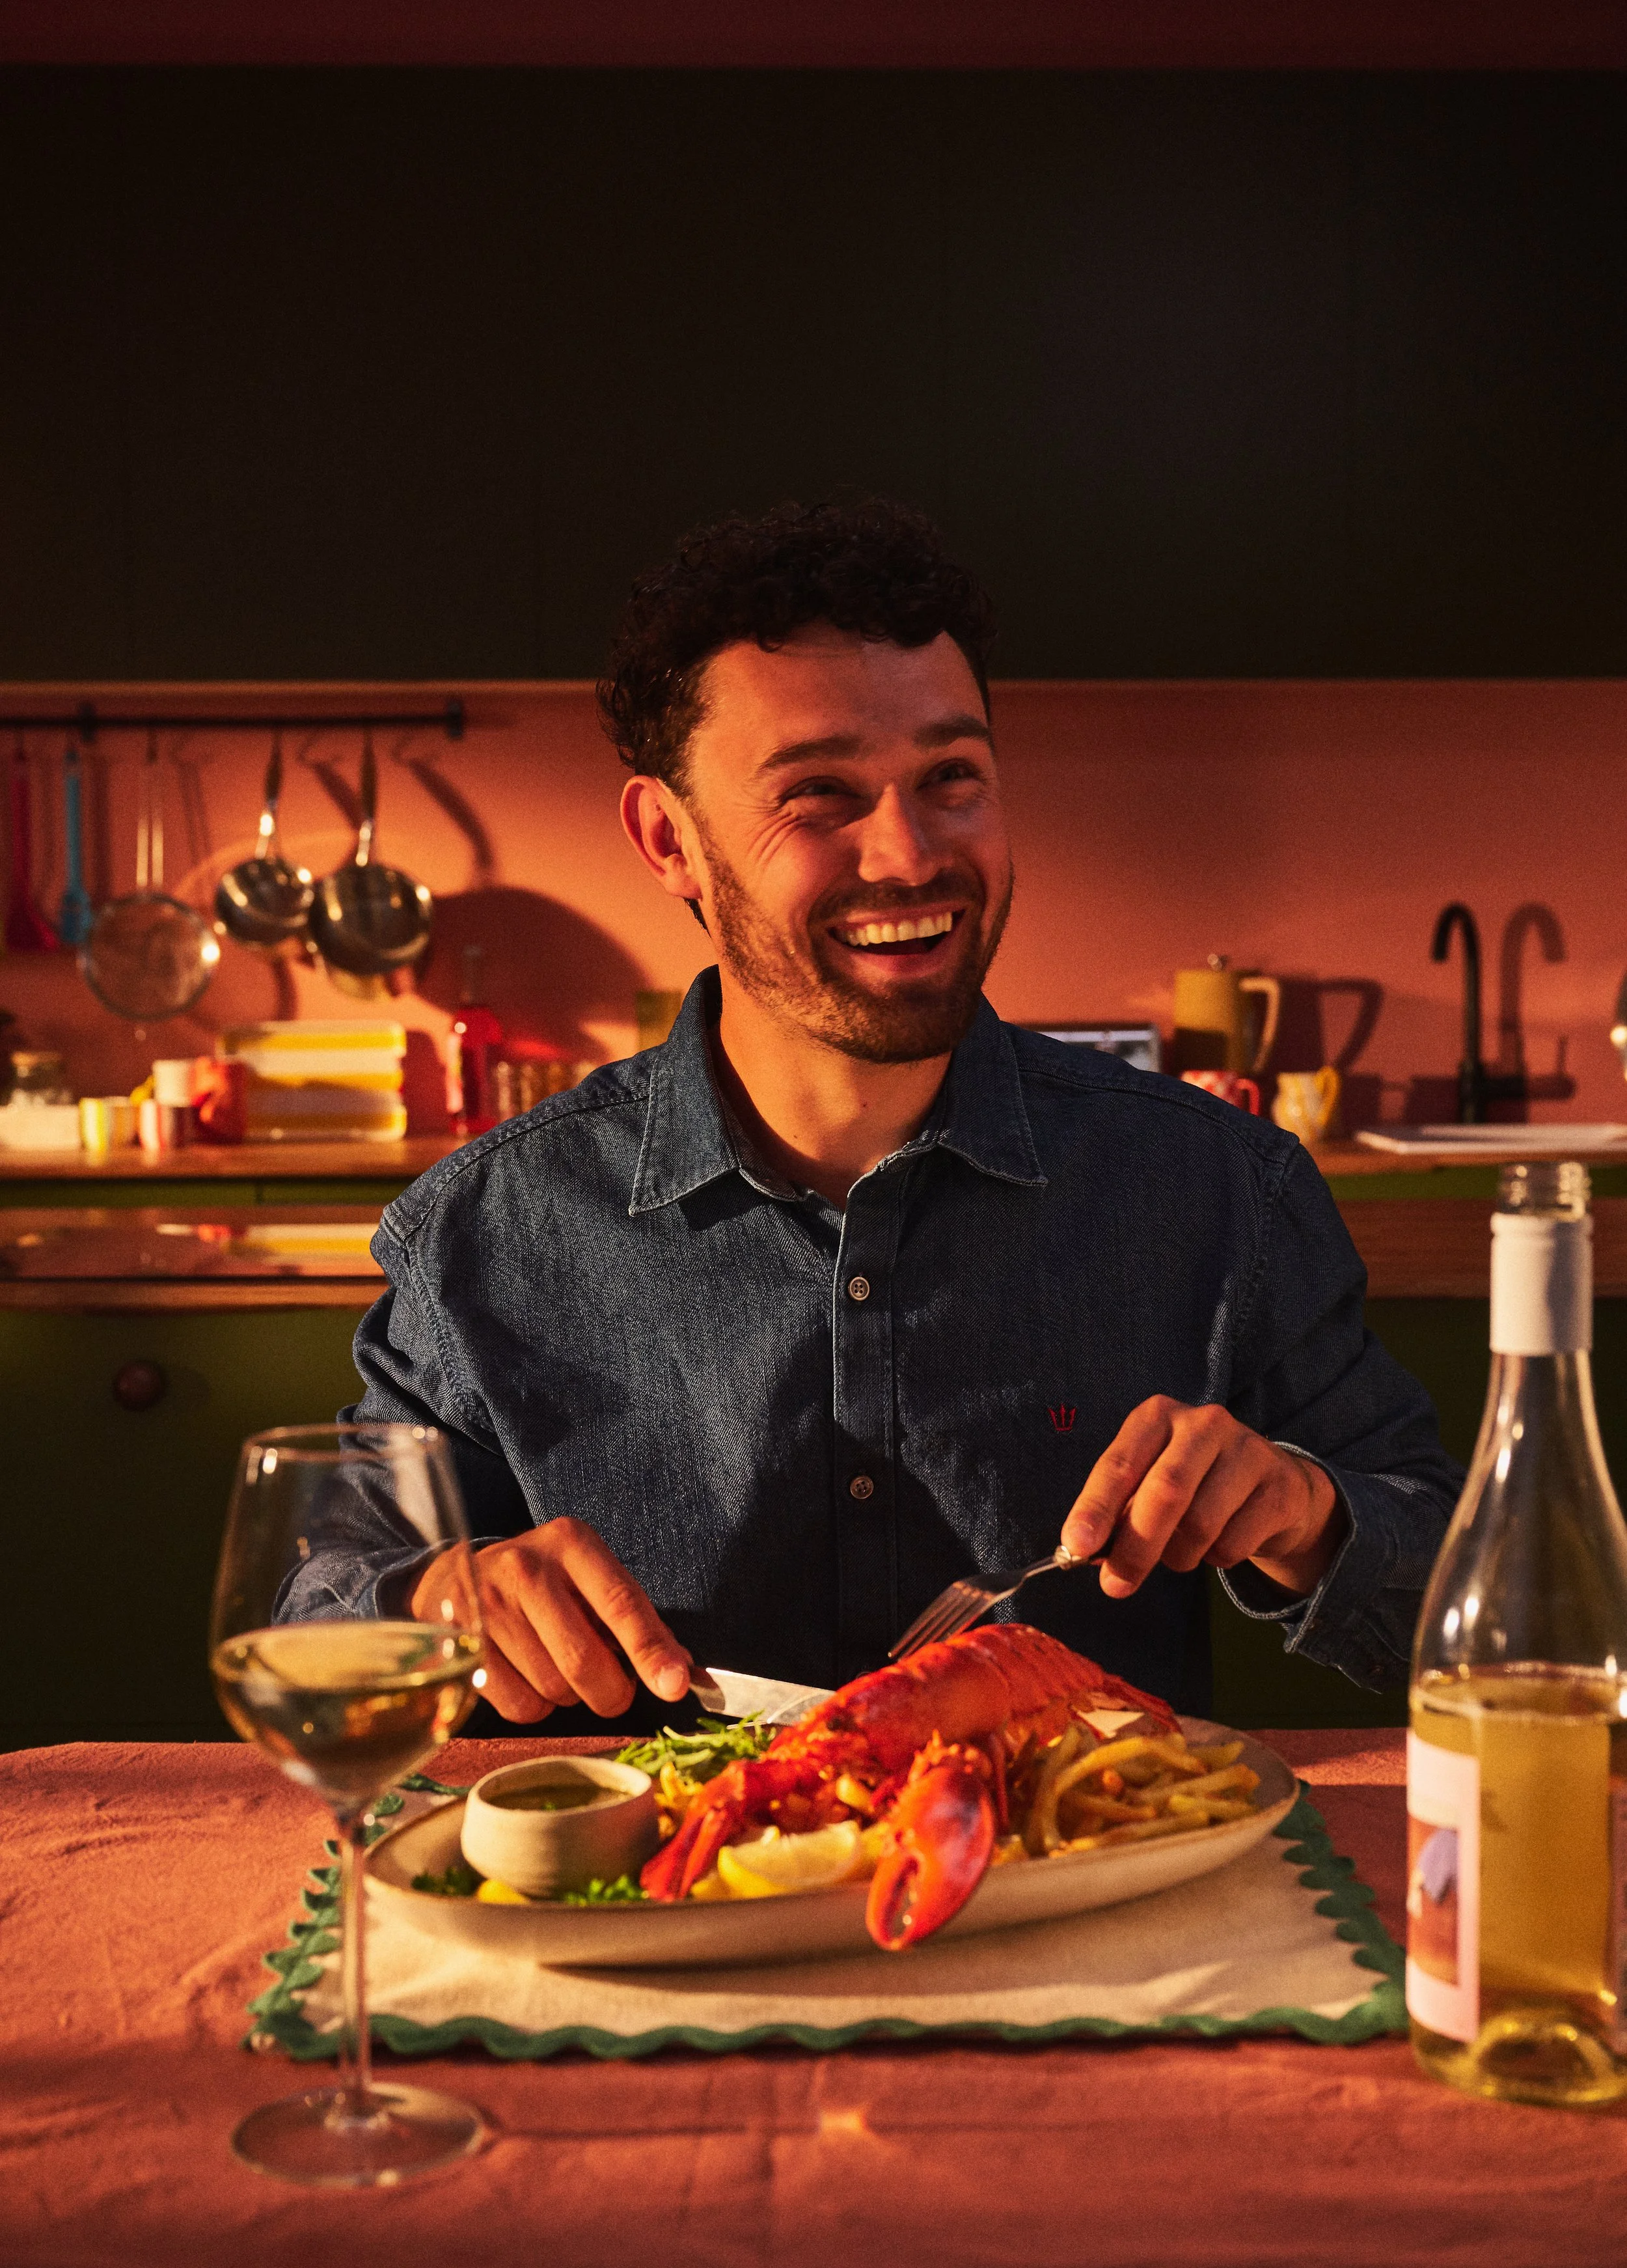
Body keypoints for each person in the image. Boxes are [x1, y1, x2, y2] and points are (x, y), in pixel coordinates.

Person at [338, 497, 1461, 1728]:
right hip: (657, 1906)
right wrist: (441, 1599)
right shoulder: (490, 1233)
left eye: (952, 778)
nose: (910, 853)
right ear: (668, 837)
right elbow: (317, 1604)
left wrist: (1309, 1514)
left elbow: (1481, 1600)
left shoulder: (1217, 1192)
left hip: (1082, 1897)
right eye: (819, 796)